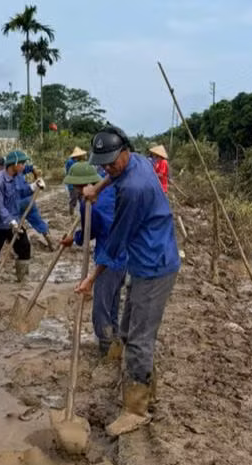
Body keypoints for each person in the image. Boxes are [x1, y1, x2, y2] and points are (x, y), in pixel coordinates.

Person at [77, 125, 181, 437]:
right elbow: (117, 174)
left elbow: (115, 243)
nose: (108, 168)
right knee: (128, 322)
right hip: (145, 257)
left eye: (112, 162)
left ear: (126, 151)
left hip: (154, 264)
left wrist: (91, 279)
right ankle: (138, 380)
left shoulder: (134, 189)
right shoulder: (136, 161)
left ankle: (137, 409)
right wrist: (100, 186)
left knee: (139, 337)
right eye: (103, 163)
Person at [60, 162, 127, 357]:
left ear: (82, 186)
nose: (75, 190)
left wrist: (79, 239)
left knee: (101, 307)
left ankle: (106, 347)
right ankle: (114, 342)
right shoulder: (112, 191)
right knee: (112, 303)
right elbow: (92, 229)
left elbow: (97, 230)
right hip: (126, 257)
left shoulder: (91, 204)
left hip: (110, 259)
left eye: (75, 186)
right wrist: (76, 238)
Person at [0, 150, 45, 281]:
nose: (24, 166)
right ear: (14, 164)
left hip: (14, 220)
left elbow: (20, 193)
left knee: (24, 246)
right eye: (22, 163)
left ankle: (22, 278)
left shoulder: (16, 176)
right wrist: (11, 221)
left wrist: (33, 187)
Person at [0, 156, 53, 249]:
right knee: (37, 220)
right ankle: (48, 238)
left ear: (1, 165)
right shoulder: (17, 168)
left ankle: (16, 246)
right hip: (28, 200)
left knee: (13, 225)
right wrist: (35, 172)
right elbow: (30, 168)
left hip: (16, 204)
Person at [65, 147, 88, 216]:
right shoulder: (70, 162)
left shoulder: (78, 162)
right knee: (73, 200)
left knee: (82, 200)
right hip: (73, 185)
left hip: (80, 184)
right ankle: (71, 215)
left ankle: (82, 213)